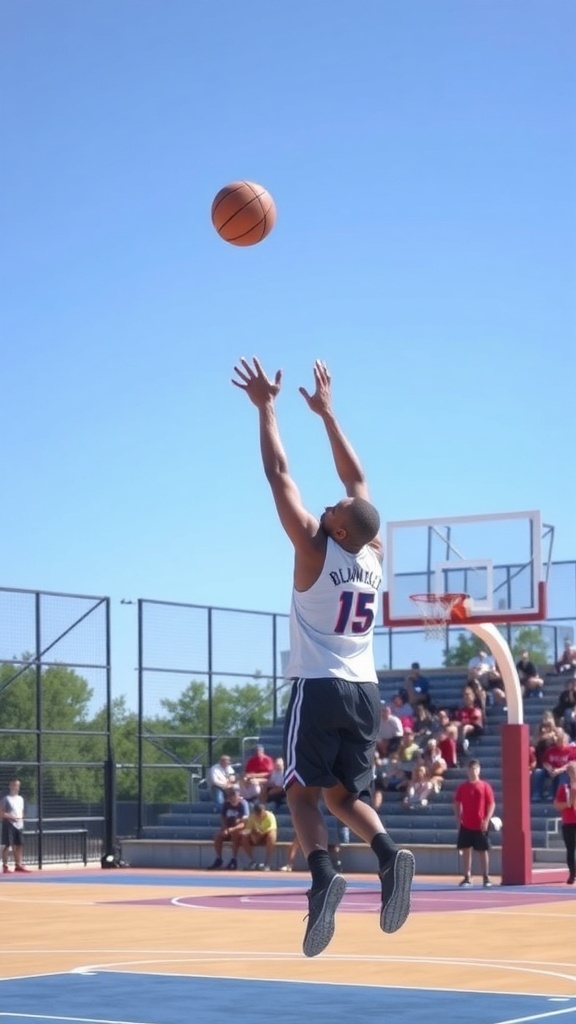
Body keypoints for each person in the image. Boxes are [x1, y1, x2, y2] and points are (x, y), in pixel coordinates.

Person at [233, 356, 414, 958]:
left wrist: (268, 408)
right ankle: (388, 854)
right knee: (345, 796)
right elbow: (360, 484)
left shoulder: (315, 548)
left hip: (319, 683)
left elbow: (278, 472)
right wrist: (329, 415)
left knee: (302, 796)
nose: (331, 503)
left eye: (333, 507)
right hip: (365, 690)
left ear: (336, 529)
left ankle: (322, 875)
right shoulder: (372, 551)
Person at [453, 759, 496, 888]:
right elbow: (456, 803)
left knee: (483, 850)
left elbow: (491, 803)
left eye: (475, 769)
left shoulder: (484, 786)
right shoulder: (462, 787)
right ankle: (467, 876)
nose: (472, 772)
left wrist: (487, 819)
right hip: (466, 823)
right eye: (470, 769)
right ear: (467, 771)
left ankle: (486, 877)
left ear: (479, 770)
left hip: (480, 824)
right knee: (466, 850)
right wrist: (458, 819)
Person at [207, 785, 249, 870]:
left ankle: (234, 858)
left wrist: (232, 829)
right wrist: (225, 828)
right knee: (217, 836)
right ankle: (219, 858)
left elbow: (244, 823)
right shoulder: (226, 804)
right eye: (231, 795)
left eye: (234, 795)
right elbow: (223, 817)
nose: (232, 797)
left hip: (238, 828)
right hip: (228, 827)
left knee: (235, 835)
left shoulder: (243, 804)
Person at [1, 778, 31, 873]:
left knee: (19, 845)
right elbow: (1, 813)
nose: (16, 787)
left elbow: (21, 812)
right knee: (8, 845)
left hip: (19, 824)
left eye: (18, 785)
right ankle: (5, 866)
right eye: (14, 785)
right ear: (10, 786)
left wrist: (22, 818)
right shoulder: (6, 799)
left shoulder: (21, 799)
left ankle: (18, 864)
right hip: (9, 824)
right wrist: (10, 817)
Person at [553, 761, 576, 884]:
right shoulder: (564, 788)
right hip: (569, 822)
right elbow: (556, 805)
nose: (573, 772)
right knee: (570, 849)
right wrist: (567, 804)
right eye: (571, 770)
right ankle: (572, 873)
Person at [240, 802, 278, 870]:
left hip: (266, 835)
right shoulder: (252, 817)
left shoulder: (270, 816)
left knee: (272, 834)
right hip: (255, 836)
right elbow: (248, 828)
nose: (259, 815)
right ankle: (252, 861)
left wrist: (262, 832)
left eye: (261, 813)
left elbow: (272, 828)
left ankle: (267, 862)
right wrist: (246, 832)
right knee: (244, 837)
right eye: (257, 813)